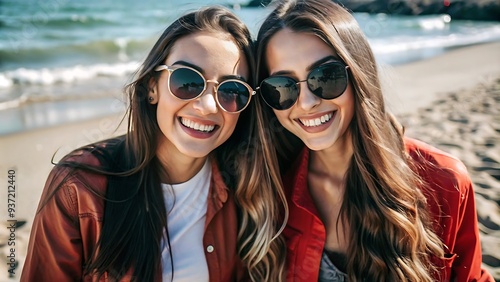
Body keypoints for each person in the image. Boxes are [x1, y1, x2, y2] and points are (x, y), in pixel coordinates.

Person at [21, 6, 287, 282]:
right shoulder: (78, 188)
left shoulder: (248, 188)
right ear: (152, 87)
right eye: (187, 81)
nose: (208, 106)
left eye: (231, 90)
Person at [255, 0, 494, 281]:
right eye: (283, 87)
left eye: (326, 76)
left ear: (359, 72)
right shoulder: (271, 191)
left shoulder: (444, 181)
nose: (307, 103)